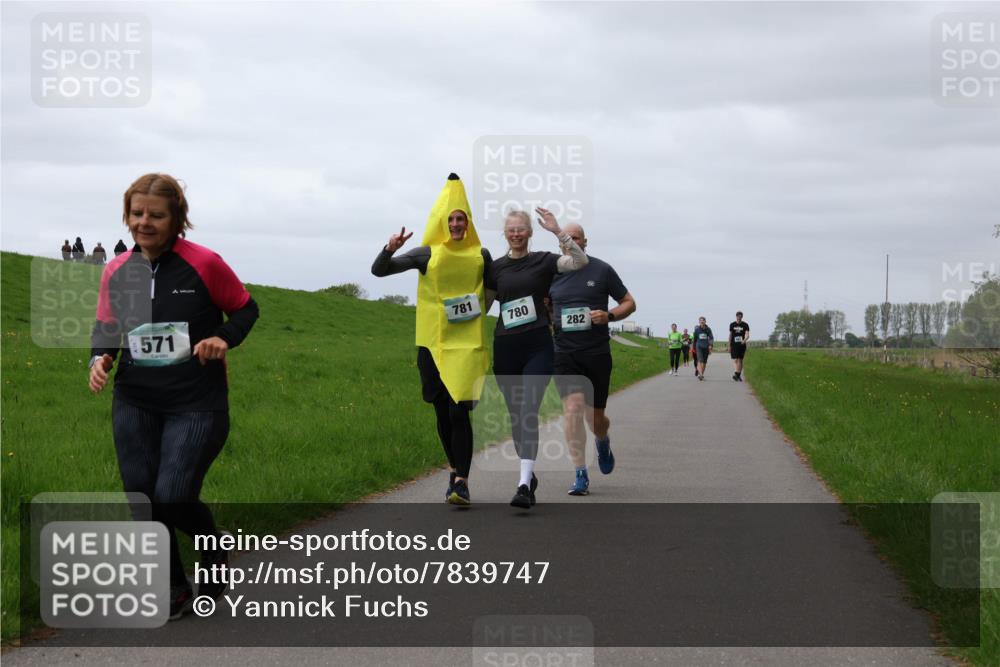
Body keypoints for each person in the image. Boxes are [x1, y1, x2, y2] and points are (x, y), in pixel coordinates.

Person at [88, 173, 259, 620]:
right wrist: (99, 359)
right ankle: (174, 586)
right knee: (142, 498)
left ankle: (214, 548)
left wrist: (223, 337)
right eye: (137, 213)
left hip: (196, 401)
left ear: (176, 219)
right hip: (135, 398)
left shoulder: (204, 263)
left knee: (174, 494)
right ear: (127, 215)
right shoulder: (117, 270)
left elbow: (246, 308)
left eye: (156, 215)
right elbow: (107, 327)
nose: (144, 222)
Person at [371, 173, 494, 507]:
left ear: (468, 223)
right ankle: (454, 470)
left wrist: (478, 311)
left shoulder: (481, 255)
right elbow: (379, 271)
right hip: (431, 344)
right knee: (441, 411)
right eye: (451, 219)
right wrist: (389, 249)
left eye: (461, 219)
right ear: (442, 221)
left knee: (459, 413)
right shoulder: (426, 253)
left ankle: (463, 483)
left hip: (466, 346)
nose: (455, 224)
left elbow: (497, 288)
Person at [492, 208, 587, 509]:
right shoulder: (494, 268)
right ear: (505, 234)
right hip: (505, 347)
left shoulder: (544, 260)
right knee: (516, 417)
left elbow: (579, 261)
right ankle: (528, 474)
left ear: (530, 233)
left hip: (537, 346)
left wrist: (558, 232)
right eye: (512, 229)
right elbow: (479, 304)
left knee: (528, 408)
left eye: (522, 229)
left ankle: (522, 485)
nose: (517, 234)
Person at [549, 223, 635, 496]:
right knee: (573, 409)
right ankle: (580, 473)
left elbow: (629, 302)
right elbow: (544, 305)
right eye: (566, 239)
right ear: (560, 244)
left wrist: (608, 316)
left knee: (595, 418)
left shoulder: (602, 270)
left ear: (585, 242)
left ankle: (603, 440)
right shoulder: (551, 273)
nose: (570, 241)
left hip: (596, 354)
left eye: (575, 237)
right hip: (564, 354)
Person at [729, 311, 750, 381]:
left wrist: (744, 340)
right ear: (736, 316)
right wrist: (729, 345)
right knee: (735, 359)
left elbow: (747, 334)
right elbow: (730, 335)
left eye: (740, 316)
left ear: (742, 317)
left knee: (740, 360)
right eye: (738, 316)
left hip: (741, 344)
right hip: (734, 344)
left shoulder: (745, 325)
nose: (739, 317)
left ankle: (737, 374)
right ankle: (737, 374)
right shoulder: (732, 325)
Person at [693, 316, 713, 380]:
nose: (702, 321)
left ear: (705, 321)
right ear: (699, 322)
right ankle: (701, 374)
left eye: (703, 320)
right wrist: (693, 348)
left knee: (704, 362)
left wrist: (710, 345)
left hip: (706, 347)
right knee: (699, 360)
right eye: (700, 320)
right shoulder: (697, 330)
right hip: (698, 347)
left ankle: (701, 374)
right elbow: (695, 340)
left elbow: (711, 338)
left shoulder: (708, 329)